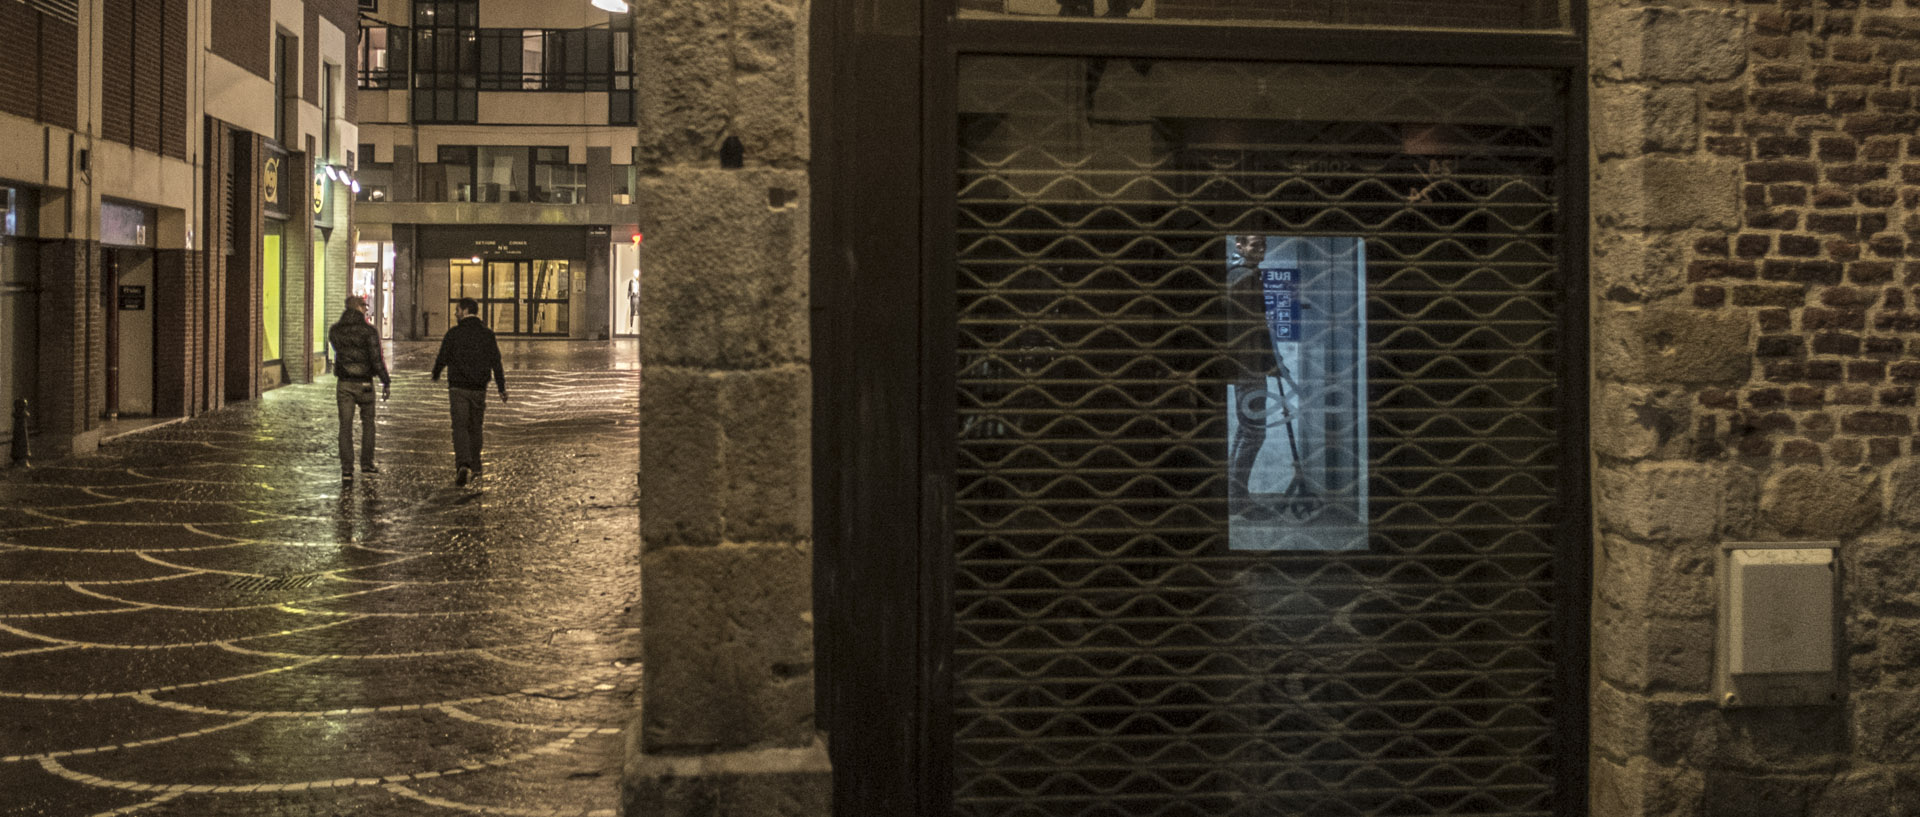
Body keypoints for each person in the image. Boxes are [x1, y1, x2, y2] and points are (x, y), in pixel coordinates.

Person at [432, 297, 507, 486]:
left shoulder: (453, 334)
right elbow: (496, 362)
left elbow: (443, 357)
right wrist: (501, 388)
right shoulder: (487, 334)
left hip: (458, 387)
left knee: (459, 427)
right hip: (479, 388)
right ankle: (477, 465)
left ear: (465, 311)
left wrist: (436, 373)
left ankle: (463, 464)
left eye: (457, 310)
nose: (455, 313)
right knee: (476, 427)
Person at [328, 295, 390, 481]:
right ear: (358, 307)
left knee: (345, 426)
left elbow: (337, 348)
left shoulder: (336, 330)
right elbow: (376, 359)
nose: (366, 308)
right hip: (364, 384)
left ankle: (347, 469)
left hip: (345, 383)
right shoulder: (368, 331)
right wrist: (385, 381)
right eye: (364, 305)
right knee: (368, 424)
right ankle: (367, 464)